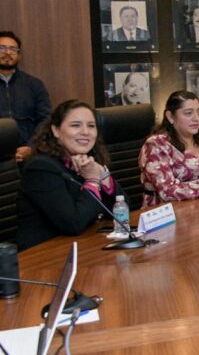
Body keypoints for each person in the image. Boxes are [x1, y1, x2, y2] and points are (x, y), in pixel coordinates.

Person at [16, 100, 123, 250]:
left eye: (91, 126)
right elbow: (73, 223)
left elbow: (122, 210)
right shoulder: (41, 168)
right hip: (44, 254)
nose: (85, 132)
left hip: (82, 245)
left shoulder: (87, 160)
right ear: (56, 130)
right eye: (75, 125)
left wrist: (103, 175)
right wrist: (92, 180)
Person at [0, 30, 52, 162]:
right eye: (2, 48)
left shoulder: (34, 85)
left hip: (30, 155)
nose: (7, 52)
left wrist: (31, 147)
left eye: (13, 49)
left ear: (18, 55)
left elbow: (45, 120)